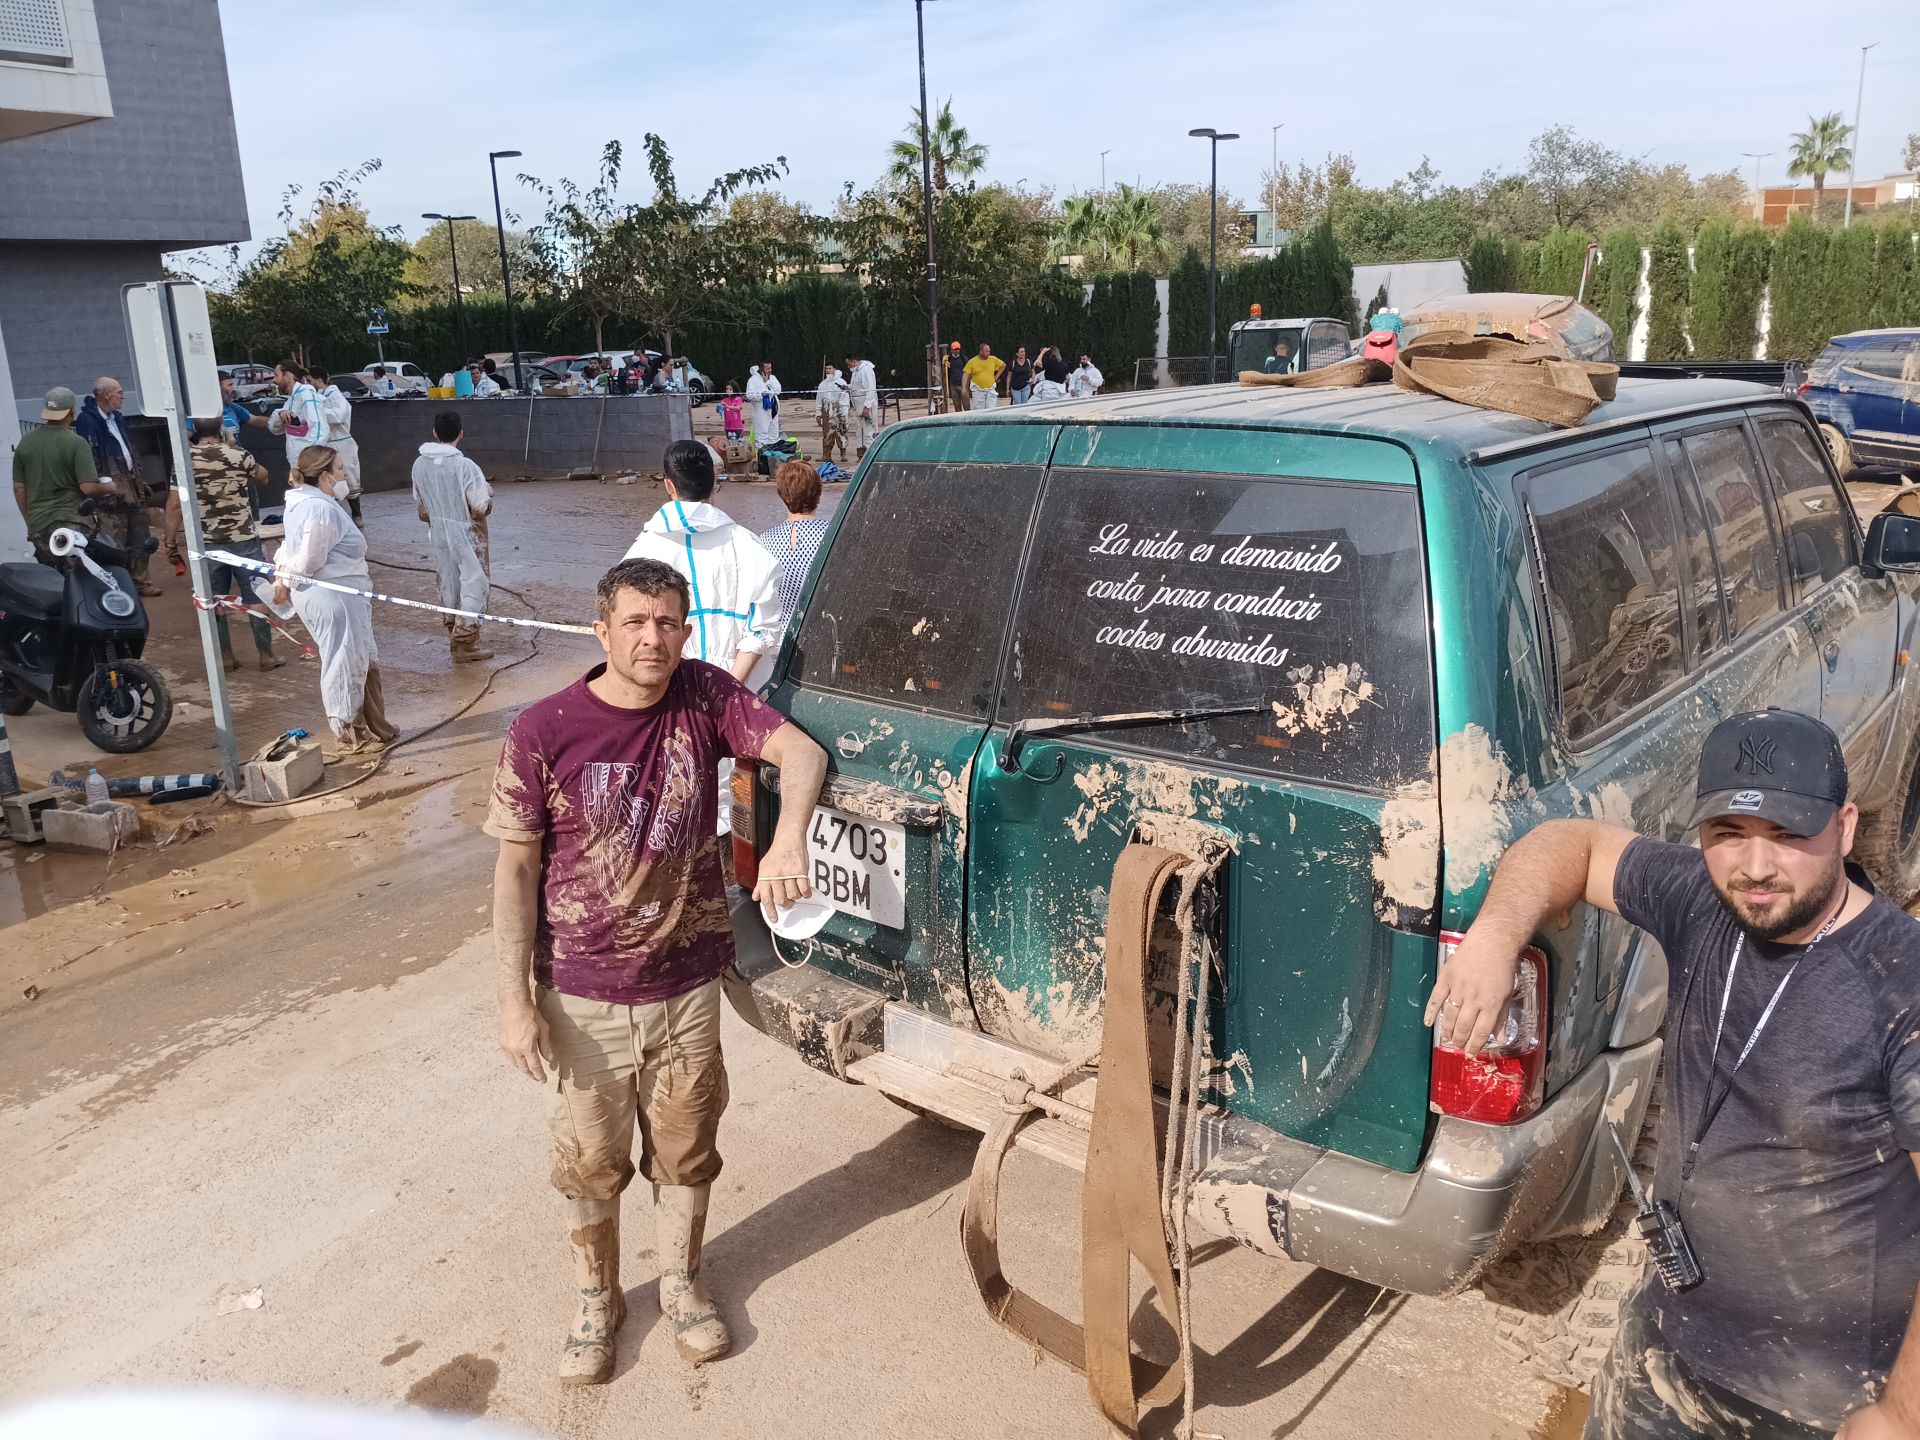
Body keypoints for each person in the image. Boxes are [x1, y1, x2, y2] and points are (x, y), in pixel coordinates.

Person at [1427, 710, 1920, 1439]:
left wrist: (1902, 1414)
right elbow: (1574, 843)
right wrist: (1497, 935)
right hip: (1666, 1340)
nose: (1755, 867)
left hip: (1819, 1397)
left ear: (1845, 828)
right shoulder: (1703, 899)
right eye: (1728, 834)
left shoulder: (1899, 987)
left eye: (1788, 836)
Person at [486, 555, 827, 1385]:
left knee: (687, 1145)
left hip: (687, 987)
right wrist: (514, 1002)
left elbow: (802, 754)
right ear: (601, 632)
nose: (654, 638)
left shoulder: (706, 696)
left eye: (669, 622)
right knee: (588, 1159)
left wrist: (787, 841)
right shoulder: (543, 730)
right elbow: (516, 871)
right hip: (582, 991)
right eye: (636, 623)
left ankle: (681, 1282)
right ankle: (599, 1298)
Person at [623, 440, 782, 688]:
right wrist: (728, 689)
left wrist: (693, 683)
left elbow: (635, 631)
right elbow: (762, 629)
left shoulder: (642, 552)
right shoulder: (747, 543)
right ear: (714, 482)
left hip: (674, 687)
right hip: (745, 691)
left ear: (668, 485)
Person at [271, 445, 396, 755]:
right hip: (334, 597)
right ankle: (348, 732)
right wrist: (284, 579)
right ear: (326, 475)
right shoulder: (320, 509)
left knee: (363, 658)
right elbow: (308, 560)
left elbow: (290, 548)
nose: (345, 474)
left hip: (343, 596)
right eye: (341, 469)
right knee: (344, 662)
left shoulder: (305, 503)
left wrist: (282, 575)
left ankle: (377, 725)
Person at [178, 416, 283, 672]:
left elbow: (172, 503)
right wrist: (233, 446)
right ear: (222, 429)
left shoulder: (185, 460)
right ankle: (266, 655)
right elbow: (264, 477)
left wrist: (170, 541)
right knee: (256, 594)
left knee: (213, 600)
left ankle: (225, 657)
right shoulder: (238, 454)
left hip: (206, 542)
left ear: (194, 430)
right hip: (243, 538)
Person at [411, 412, 495, 665]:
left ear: (435, 432)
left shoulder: (419, 464)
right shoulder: (466, 467)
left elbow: (422, 508)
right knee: (474, 581)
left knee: (448, 581)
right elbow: (480, 506)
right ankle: (466, 640)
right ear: (461, 433)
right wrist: (489, 495)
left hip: (437, 531)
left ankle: (453, 633)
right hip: (468, 532)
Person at [74, 376, 158, 594]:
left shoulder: (117, 418)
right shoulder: (88, 420)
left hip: (132, 483)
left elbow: (129, 450)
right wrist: (103, 485)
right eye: (119, 392)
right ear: (106, 395)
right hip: (109, 488)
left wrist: (139, 479)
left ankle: (141, 580)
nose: (123, 396)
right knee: (114, 538)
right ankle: (118, 585)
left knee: (140, 533)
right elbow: (91, 455)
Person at [12, 386, 117, 555]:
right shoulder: (76, 443)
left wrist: (30, 522)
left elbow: (19, 488)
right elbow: (88, 487)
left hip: (39, 526)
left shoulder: (25, 443)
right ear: (72, 412)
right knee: (82, 577)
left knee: (54, 579)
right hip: (72, 523)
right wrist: (109, 487)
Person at [756, 461, 830, 648]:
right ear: (819, 494)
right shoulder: (833, 535)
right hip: (821, 636)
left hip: (779, 641)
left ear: (782, 497)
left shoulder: (764, 541)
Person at [311, 368, 364, 525]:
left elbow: (339, 416)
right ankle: (334, 518)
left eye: (310, 380)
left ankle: (357, 514)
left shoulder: (335, 395)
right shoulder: (316, 397)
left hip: (341, 443)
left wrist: (317, 412)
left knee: (349, 479)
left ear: (318, 380)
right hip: (324, 444)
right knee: (327, 481)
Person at [268, 359, 327, 472]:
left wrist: (311, 462)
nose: (274, 380)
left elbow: (320, 429)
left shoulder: (306, 395)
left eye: (276, 375)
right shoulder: (291, 400)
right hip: (298, 466)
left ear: (288, 376)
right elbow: (273, 428)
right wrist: (280, 414)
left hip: (309, 467)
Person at [844, 353, 879, 459]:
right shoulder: (856, 372)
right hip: (858, 405)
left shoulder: (866, 370)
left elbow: (870, 389)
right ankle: (863, 455)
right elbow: (858, 387)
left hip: (866, 404)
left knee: (869, 431)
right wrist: (847, 387)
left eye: (848, 364)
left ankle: (872, 456)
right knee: (860, 431)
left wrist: (867, 407)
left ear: (854, 362)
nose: (848, 366)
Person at [814, 363, 850, 464]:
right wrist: (818, 414)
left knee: (841, 432)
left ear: (835, 369)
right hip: (826, 410)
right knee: (827, 434)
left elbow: (845, 399)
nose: (827, 370)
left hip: (839, 410)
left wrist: (844, 414)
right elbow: (818, 399)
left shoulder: (841, 382)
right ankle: (826, 455)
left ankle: (843, 455)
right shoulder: (823, 384)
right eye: (826, 369)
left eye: (830, 368)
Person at [743, 363, 781, 449]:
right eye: (768, 368)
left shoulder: (773, 378)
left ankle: (773, 457)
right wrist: (762, 395)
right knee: (762, 437)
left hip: (774, 410)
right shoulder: (753, 380)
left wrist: (767, 382)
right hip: (761, 412)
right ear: (762, 369)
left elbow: (778, 390)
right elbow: (749, 395)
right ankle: (762, 458)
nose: (770, 370)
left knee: (774, 436)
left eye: (771, 368)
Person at [963, 343, 1005, 411]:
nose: (988, 353)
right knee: (978, 410)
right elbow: (965, 375)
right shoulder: (972, 361)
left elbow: (1003, 365)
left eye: (989, 351)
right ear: (981, 352)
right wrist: (963, 388)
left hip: (990, 389)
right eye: (986, 351)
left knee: (991, 410)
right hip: (978, 390)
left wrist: (996, 377)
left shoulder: (993, 359)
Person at [718, 382, 746, 451]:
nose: (728, 391)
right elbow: (719, 410)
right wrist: (719, 408)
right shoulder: (724, 400)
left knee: (738, 445)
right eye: (727, 389)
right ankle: (733, 459)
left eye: (730, 389)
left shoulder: (738, 399)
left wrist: (728, 406)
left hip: (737, 427)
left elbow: (738, 408)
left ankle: (740, 458)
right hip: (728, 427)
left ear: (735, 390)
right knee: (730, 445)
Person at [945, 340, 966, 412]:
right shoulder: (948, 359)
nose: (956, 351)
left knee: (966, 404)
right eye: (955, 349)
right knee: (956, 404)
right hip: (953, 385)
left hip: (963, 385)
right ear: (951, 350)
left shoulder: (964, 359)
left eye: (958, 349)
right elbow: (945, 372)